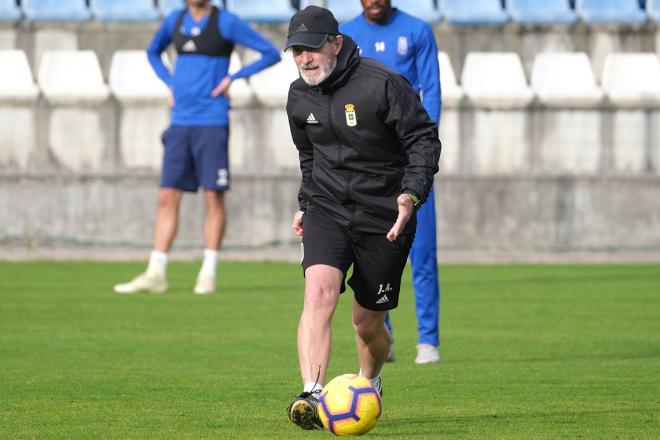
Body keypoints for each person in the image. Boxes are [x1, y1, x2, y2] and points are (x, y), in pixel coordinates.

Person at [283, 6, 441, 430]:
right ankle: (312, 394)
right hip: (327, 208)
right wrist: (306, 200)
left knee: (367, 323)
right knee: (319, 290)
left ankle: (368, 383)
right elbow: (309, 156)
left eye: (312, 48)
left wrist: (411, 195)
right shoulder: (298, 96)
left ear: (335, 43)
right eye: (296, 51)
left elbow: (423, 139)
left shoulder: (381, 82)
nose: (305, 59)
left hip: (383, 216)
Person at [113, 0, 280, 295]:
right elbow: (153, 52)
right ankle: (156, 272)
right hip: (180, 122)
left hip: (212, 121)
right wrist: (170, 82)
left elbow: (270, 53)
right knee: (167, 195)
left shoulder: (225, 22)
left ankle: (208, 271)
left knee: (213, 196)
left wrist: (233, 78)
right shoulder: (174, 21)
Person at [340, 0, 442, 365]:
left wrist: (422, 154)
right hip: (371, 168)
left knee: (423, 254)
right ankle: (386, 337)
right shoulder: (346, 34)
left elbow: (431, 92)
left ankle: (428, 341)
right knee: (375, 255)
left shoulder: (417, 31)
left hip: (410, 164)